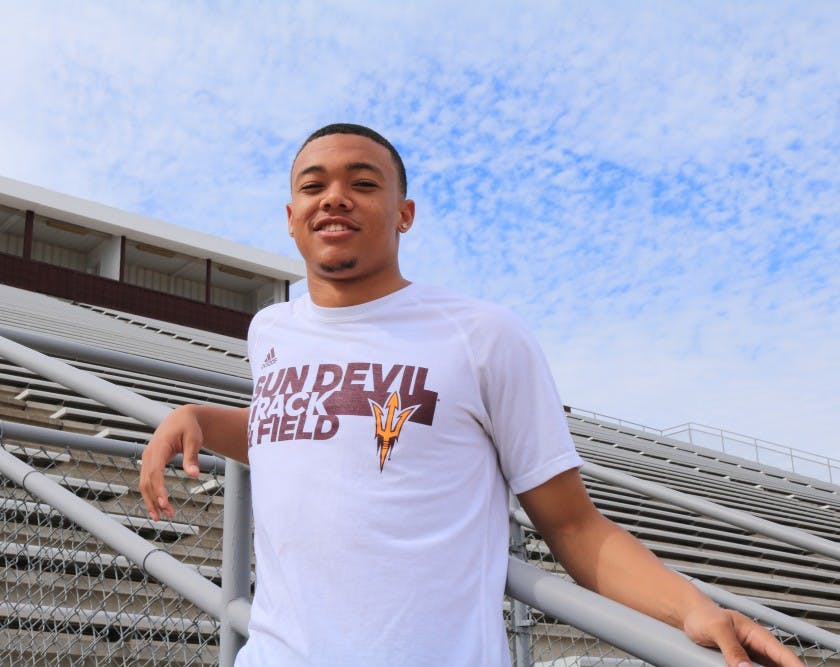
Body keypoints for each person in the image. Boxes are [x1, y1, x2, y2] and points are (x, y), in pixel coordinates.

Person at [140, 123, 801, 667]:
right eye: (314, 186)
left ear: (404, 214)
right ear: (291, 218)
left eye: (362, 183)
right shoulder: (270, 329)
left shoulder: (483, 335)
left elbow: (572, 523)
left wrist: (693, 607)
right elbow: (302, 424)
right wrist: (196, 416)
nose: (334, 197)